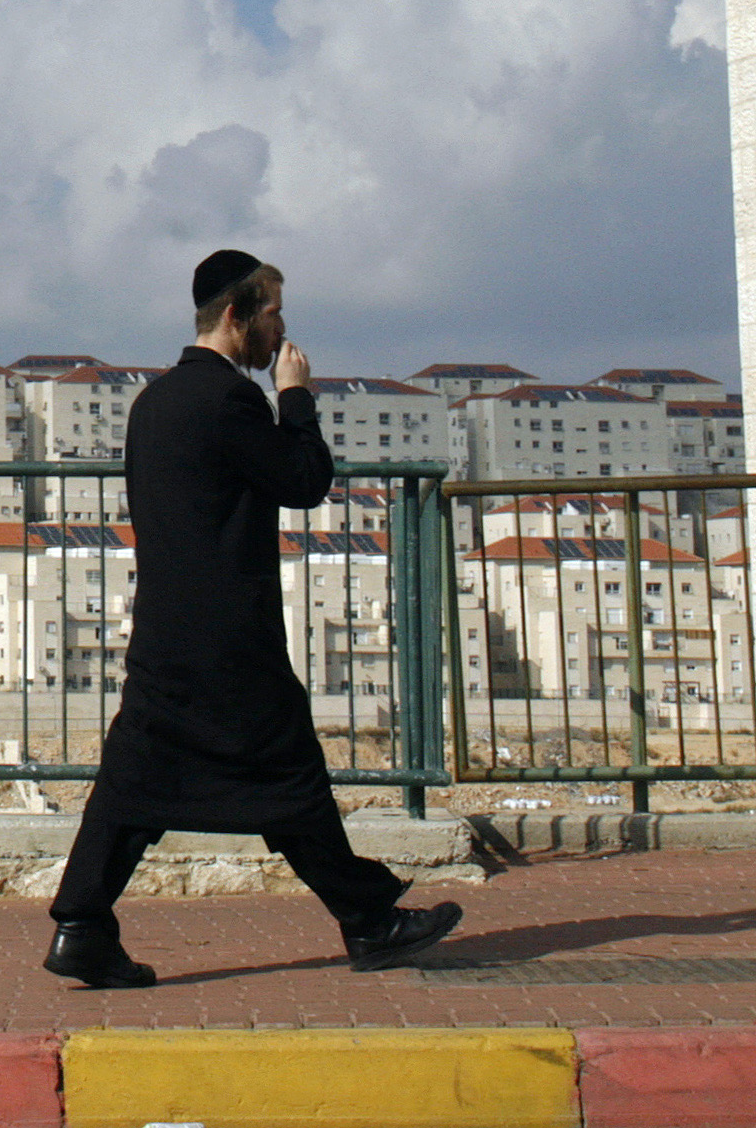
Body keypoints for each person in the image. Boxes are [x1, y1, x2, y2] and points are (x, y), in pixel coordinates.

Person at [40, 249, 462, 989]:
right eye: (271, 311)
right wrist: (294, 398)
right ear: (236, 315)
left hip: (166, 628)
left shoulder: (153, 403)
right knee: (288, 777)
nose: (282, 328)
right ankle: (368, 920)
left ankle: (81, 926)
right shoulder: (229, 401)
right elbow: (303, 481)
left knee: (135, 783)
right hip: (231, 634)